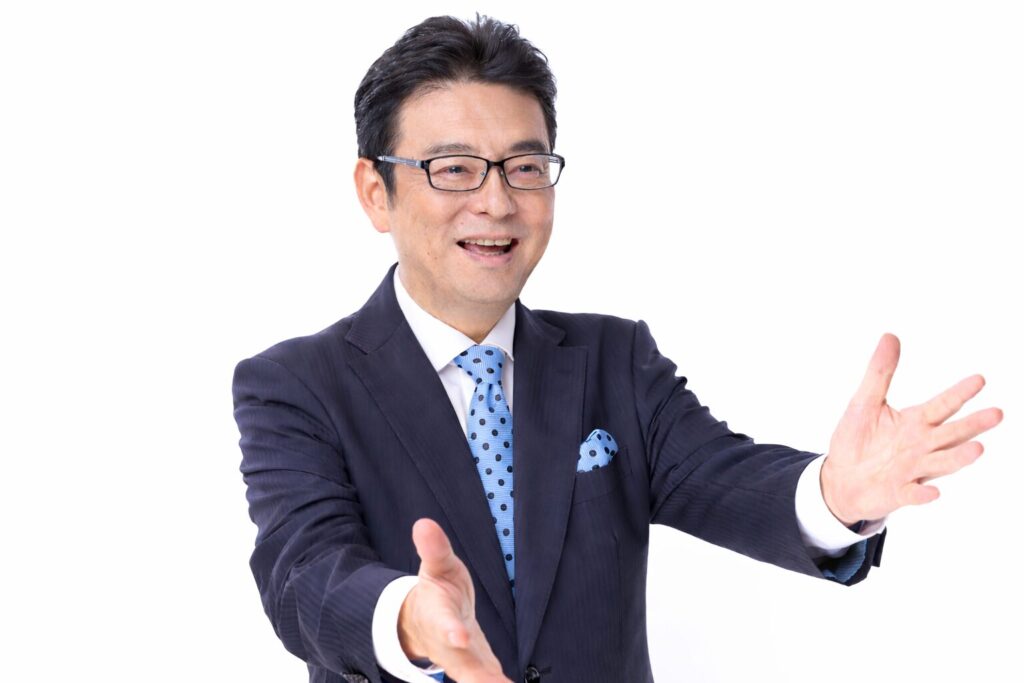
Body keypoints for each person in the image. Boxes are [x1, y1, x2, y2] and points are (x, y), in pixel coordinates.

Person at [231, 14, 1003, 683]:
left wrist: (837, 494)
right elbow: (303, 573)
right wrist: (408, 615)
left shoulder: (613, 359)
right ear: (376, 191)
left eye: (525, 167)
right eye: (455, 169)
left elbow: (727, 479)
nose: (496, 201)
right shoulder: (295, 385)